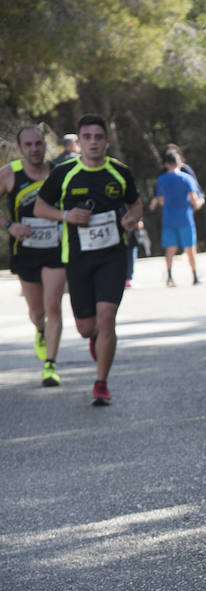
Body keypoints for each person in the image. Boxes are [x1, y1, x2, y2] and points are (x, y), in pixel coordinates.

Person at [34, 113, 143, 406]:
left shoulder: (120, 172)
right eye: (87, 137)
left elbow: (136, 205)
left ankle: (101, 384)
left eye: (98, 137)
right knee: (86, 328)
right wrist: (66, 215)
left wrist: (132, 219)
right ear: (79, 142)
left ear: (106, 141)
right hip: (78, 258)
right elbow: (40, 208)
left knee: (107, 318)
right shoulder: (64, 173)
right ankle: (95, 336)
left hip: (113, 256)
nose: (93, 142)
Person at [0, 126, 67, 387]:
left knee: (53, 306)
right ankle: (40, 330)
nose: (34, 149)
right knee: (37, 311)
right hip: (25, 250)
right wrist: (9, 226)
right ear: (20, 149)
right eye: (28, 145)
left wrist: (64, 226)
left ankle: (50, 364)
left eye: (38, 144)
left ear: (44, 145)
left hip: (55, 249)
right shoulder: (9, 174)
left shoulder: (58, 173)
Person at [152, 151, 204, 286]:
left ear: (166, 164)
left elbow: (161, 200)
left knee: (170, 248)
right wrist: (199, 202)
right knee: (190, 248)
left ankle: (169, 276)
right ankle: (194, 275)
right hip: (185, 217)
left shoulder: (161, 180)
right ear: (179, 162)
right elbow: (194, 199)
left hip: (169, 218)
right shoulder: (187, 178)